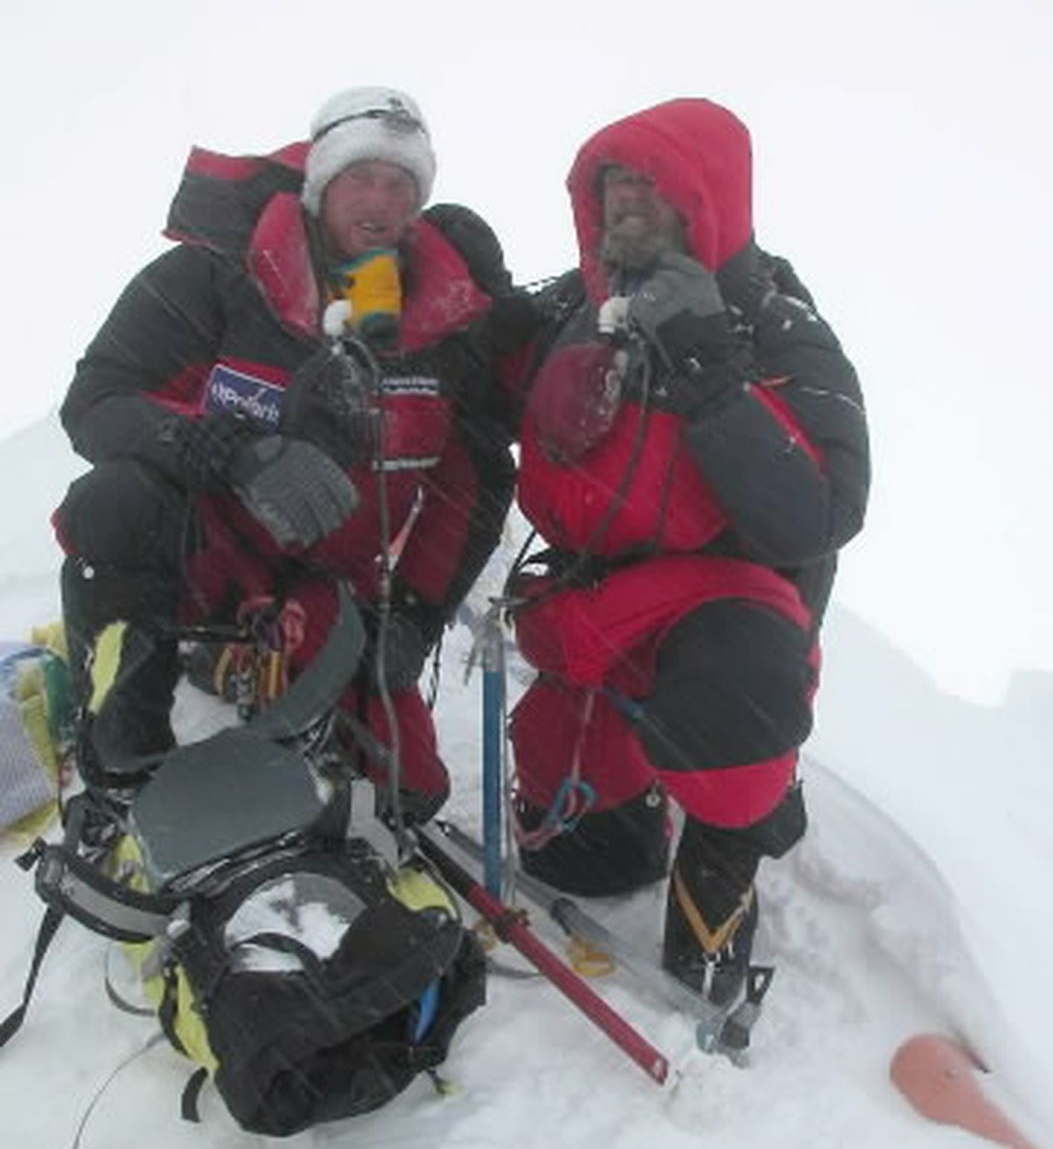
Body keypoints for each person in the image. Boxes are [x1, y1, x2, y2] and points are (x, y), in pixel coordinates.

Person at [54, 86, 518, 825]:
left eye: (401, 184)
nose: (379, 201)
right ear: (319, 181)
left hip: (328, 585)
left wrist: (417, 619)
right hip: (203, 557)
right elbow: (98, 402)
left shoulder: (439, 321)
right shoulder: (216, 275)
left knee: (410, 791)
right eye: (359, 177)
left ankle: (257, 669)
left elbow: (475, 482)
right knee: (113, 504)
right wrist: (223, 446)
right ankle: (121, 753)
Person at [506, 97, 870, 1003]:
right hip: (595, 608)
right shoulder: (579, 304)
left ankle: (719, 880)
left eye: (652, 184)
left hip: (727, 619)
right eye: (613, 184)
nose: (627, 201)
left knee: (735, 716)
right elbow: (468, 359)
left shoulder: (780, 327)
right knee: (588, 865)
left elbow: (818, 513)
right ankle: (644, 798)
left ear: (709, 198)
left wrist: (708, 363)